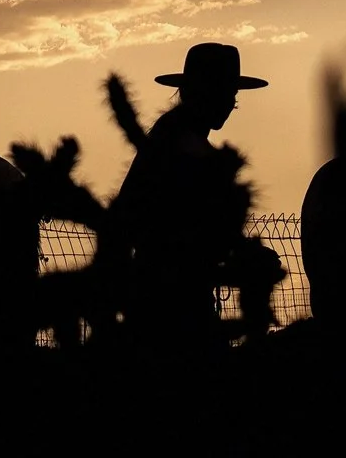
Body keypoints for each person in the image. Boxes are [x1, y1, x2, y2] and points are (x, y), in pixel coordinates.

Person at [108, 42, 266, 350]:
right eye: (225, 94)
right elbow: (187, 233)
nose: (229, 104)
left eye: (232, 97)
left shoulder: (168, 136)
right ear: (204, 93)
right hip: (173, 300)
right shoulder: (186, 149)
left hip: (161, 290)